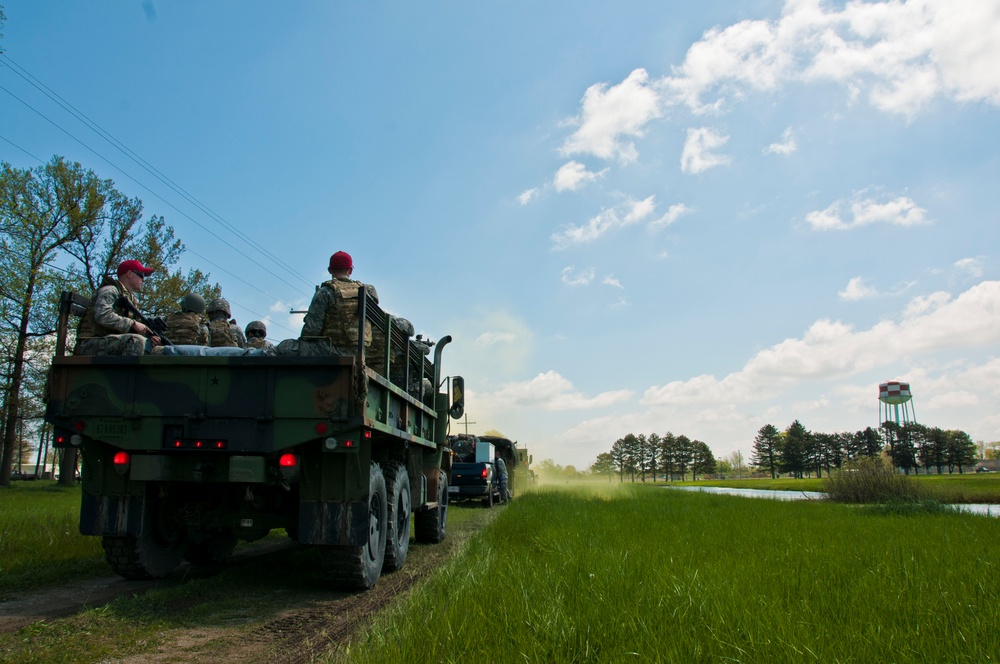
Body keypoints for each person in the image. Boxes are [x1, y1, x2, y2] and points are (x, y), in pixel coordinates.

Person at [300, 251, 379, 358]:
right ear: (350, 270)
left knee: (284, 347)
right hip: (362, 353)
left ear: (329, 270)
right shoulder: (367, 291)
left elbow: (311, 332)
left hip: (331, 350)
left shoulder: (325, 291)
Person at [75, 259, 160, 355]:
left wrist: (149, 336)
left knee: (154, 348)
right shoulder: (110, 291)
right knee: (135, 341)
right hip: (90, 344)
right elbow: (103, 315)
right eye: (141, 275)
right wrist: (132, 323)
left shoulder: (131, 299)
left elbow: (134, 327)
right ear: (129, 274)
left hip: (108, 342)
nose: (143, 279)